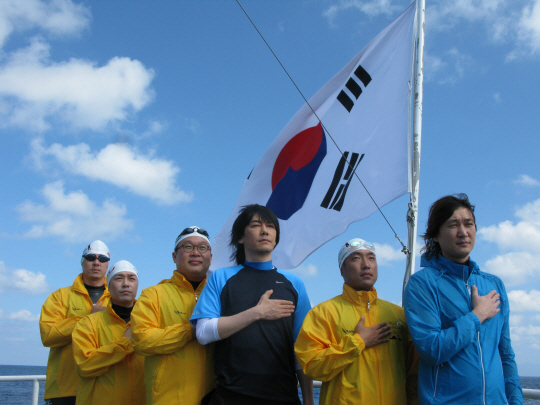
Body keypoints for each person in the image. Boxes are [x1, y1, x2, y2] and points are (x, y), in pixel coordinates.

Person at [403, 194, 523, 404]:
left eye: (469, 224)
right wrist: (477, 315)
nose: (463, 232)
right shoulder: (422, 283)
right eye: (453, 225)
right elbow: (432, 349)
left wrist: (516, 401)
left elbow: (505, 353)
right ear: (436, 236)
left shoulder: (494, 284)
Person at [191, 204, 314, 405]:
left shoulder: (295, 284)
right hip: (231, 396)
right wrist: (257, 313)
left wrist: (309, 400)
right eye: (256, 225)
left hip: (284, 396)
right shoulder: (221, 277)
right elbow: (203, 333)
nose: (265, 230)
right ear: (240, 237)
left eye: (271, 226)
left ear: (276, 237)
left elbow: (301, 347)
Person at [295, 238, 418, 405]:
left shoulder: (399, 315)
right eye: (356, 258)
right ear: (342, 270)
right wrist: (357, 342)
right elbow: (311, 366)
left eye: (371, 258)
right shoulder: (323, 313)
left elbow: (414, 374)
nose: (366, 264)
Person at [131, 226, 215, 405]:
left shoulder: (221, 295)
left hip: (215, 398)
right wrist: (191, 331)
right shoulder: (153, 295)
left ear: (211, 257)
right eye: (187, 247)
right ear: (174, 256)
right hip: (168, 398)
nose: (195, 253)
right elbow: (140, 340)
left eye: (202, 248)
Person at [40, 240, 111, 405]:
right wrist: (87, 318)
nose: (96, 262)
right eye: (91, 257)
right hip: (65, 390)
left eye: (102, 259)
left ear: (108, 265)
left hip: (106, 388)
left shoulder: (119, 299)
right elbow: (48, 336)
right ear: (82, 261)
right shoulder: (59, 297)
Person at [72, 260, 145, 405]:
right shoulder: (88, 323)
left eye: (131, 278)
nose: (126, 283)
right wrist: (124, 343)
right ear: (109, 287)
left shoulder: (148, 320)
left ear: (137, 285)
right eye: (119, 278)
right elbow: (84, 365)